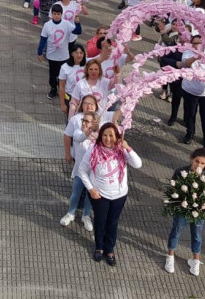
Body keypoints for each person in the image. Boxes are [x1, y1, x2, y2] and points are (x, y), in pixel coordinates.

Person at [79, 123, 142, 266]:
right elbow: (82, 171)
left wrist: (127, 147)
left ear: (117, 137)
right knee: (100, 221)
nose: (108, 139)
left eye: (111, 135)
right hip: (99, 195)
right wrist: (90, 189)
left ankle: (110, 249)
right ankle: (99, 247)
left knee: (113, 223)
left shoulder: (122, 151)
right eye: (105, 135)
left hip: (119, 195)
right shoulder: (93, 150)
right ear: (101, 136)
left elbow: (138, 164)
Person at [164, 148, 205, 276]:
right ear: (192, 159)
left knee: (197, 235)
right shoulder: (180, 172)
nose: (199, 165)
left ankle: (195, 261)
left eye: (203, 163)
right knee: (176, 231)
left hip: (198, 213)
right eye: (197, 161)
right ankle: (170, 257)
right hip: (182, 210)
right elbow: (172, 189)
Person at [60, 110, 97, 231]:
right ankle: (71, 213)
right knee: (75, 194)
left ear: (94, 123)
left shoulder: (98, 136)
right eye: (83, 120)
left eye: (87, 121)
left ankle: (86, 216)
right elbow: (81, 137)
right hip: (80, 172)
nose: (84, 123)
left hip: (94, 174)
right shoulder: (78, 132)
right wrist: (90, 130)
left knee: (89, 197)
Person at [180, 36, 205, 145]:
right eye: (195, 43)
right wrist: (196, 57)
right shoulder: (187, 53)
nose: (198, 45)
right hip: (190, 90)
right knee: (190, 113)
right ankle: (190, 133)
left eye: (200, 43)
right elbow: (185, 63)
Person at [37, 4, 78, 100]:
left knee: (63, 74)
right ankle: (53, 88)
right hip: (51, 56)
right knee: (52, 74)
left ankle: (62, 90)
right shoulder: (47, 25)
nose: (56, 16)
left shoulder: (66, 24)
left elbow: (77, 31)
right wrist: (39, 52)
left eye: (58, 14)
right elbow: (43, 39)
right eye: (54, 14)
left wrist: (78, 23)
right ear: (52, 14)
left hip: (64, 56)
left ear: (61, 14)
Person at [58, 44, 87, 114]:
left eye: (81, 53)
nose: (79, 55)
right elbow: (61, 86)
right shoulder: (65, 67)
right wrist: (62, 104)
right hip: (70, 98)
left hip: (84, 97)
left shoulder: (87, 65)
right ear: (72, 54)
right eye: (76, 53)